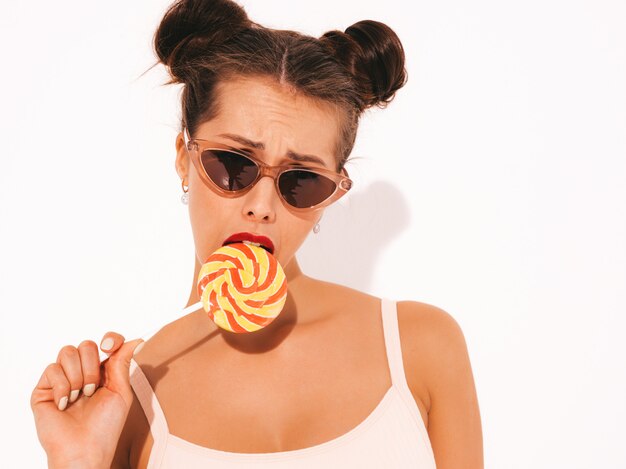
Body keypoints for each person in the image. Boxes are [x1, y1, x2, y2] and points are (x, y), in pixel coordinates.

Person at [30, 0, 483, 467]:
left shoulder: (419, 347)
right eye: (233, 165)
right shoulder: (124, 397)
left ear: (333, 193)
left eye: (301, 181)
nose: (261, 207)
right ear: (184, 156)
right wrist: (78, 462)